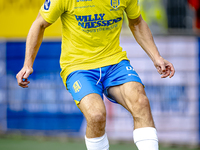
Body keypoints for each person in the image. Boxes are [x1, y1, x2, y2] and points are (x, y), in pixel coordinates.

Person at [16, 0, 175, 149]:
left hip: (115, 63)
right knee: (96, 115)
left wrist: (156, 57)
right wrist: (27, 64)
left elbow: (137, 22)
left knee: (141, 102)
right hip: (78, 68)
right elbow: (39, 24)